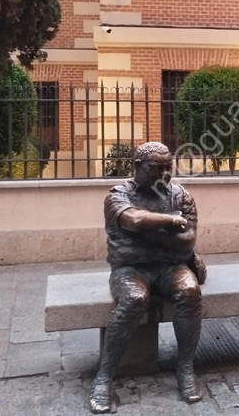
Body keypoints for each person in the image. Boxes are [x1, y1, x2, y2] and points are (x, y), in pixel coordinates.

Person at [89, 142, 206, 413]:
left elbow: (187, 242)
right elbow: (135, 221)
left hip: (170, 268)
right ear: (138, 167)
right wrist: (169, 222)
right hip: (130, 270)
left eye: (169, 167)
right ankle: (104, 378)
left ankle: (185, 369)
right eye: (157, 168)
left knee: (189, 290)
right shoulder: (118, 196)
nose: (166, 174)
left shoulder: (181, 195)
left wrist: (147, 232)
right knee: (133, 298)